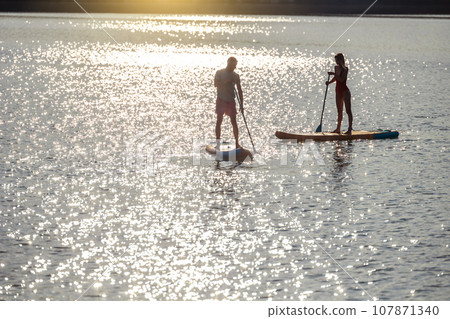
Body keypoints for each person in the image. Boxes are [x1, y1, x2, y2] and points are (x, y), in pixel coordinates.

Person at [214, 57, 243, 149]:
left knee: (234, 122)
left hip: (231, 101)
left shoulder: (236, 76)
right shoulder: (219, 73)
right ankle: (218, 143)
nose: (234, 67)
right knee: (219, 120)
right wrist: (227, 81)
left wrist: (242, 105)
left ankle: (237, 143)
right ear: (228, 63)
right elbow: (216, 84)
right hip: (221, 99)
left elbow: (239, 90)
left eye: (235, 65)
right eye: (232, 65)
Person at [326, 53, 353, 135]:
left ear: (341, 60)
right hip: (338, 91)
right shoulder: (336, 68)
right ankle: (338, 129)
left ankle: (349, 129)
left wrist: (334, 74)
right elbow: (336, 78)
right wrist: (329, 82)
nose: (336, 62)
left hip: (345, 91)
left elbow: (341, 79)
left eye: (337, 60)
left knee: (348, 111)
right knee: (339, 111)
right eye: (335, 60)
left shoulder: (345, 69)